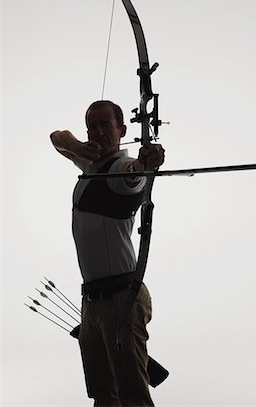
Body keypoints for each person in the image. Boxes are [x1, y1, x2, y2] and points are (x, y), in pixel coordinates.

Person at [50, 100, 165, 407]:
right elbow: (57, 137)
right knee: (103, 395)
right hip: (92, 302)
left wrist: (147, 163)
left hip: (121, 299)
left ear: (123, 130)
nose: (98, 132)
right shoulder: (90, 165)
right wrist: (78, 145)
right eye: (92, 126)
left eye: (105, 125)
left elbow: (135, 176)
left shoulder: (119, 168)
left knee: (132, 395)